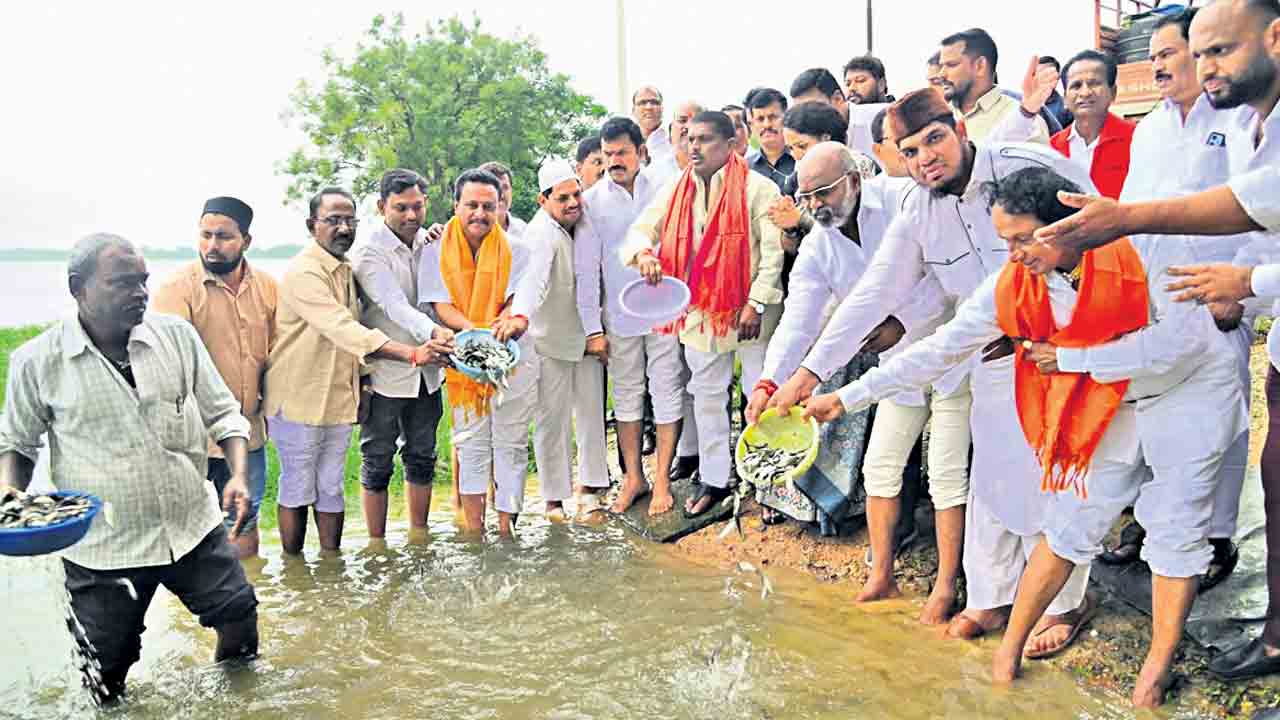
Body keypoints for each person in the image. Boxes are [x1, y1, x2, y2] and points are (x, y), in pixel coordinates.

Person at [806, 165, 1243, 708]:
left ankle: (1154, 672)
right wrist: (845, 397)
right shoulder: (1016, 282)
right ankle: (1007, 652)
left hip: (1189, 393)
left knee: (1176, 528)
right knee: (1068, 523)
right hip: (1105, 402)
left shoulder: (1144, 248)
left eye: (1020, 238)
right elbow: (942, 348)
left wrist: (1070, 358)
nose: (1011, 254)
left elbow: (1177, 345)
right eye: (1003, 240)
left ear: (1066, 226)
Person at [770, 89, 1097, 627]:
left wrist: (1079, 336)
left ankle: (1064, 605)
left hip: (1062, 352)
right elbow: (873, 295)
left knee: (1057, 474)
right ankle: (990, 600)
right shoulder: (916, 211)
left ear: (961, 129)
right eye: (912, 151)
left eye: (935, 140)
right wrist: (808, 376)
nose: (926, 159)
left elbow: (1104, 232)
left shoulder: (1026, 166)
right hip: (983, 353)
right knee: (992, 473)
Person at [0, 233, 260, 702]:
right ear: (78, 287)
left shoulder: (175, 337)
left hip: (190, 527)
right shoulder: (37, 361)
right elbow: (17, 443)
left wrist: (238, 475)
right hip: (104, 548)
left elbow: (224, 415)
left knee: (240, 622)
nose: (139, 293)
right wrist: (10, 492)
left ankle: (236, 705)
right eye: (121, 283)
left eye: (142, 282)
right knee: (103, 674)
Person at [1094, 5, 1251, 595]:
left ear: (1203, 51)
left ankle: (1215, 537)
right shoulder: (1151, 128)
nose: (1159, 65)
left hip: (1219, 295)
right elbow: (1132, 214)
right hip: (1155, 297)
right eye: (1152, 56)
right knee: (1153, 407)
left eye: (1169, 53)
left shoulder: (1236, 121)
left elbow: (1257, 212)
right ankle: (1150, 520)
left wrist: (1241, 295)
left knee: (1221, 421)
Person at [747, 143, 929, 531]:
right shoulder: (817, 246)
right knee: (886, 456)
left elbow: (943, 271)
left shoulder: (900, 200)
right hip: (890, 357)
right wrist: (770, 380)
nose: (814, 206)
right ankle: (897, 536)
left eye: (823, 193)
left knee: (953, 461)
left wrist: (904, 319)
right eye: (806, 197)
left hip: (949, 337)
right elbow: (798, 321)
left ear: (853, 180)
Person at [265, 188, 448, 554]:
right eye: (333, 220)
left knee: (332, 485)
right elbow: (345, 329)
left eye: (349, 220)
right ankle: (294, 568)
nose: (343, 227)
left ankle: (332, 563)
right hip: (299, 395)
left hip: (338, 393)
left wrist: (361, 384)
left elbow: (357, 322)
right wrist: (413, 354)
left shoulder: (345, 268)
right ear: (311, 225)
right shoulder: (306, 272)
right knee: (299, 485)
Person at [624, 111, 785, 518]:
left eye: (705, 140)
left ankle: (768, 488)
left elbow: (772, 253)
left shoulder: (757, 188)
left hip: (752, 315)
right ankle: (715, 480)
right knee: (708, 397)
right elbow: (641, 230)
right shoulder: (677, 188)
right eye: (689, 138)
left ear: (732, 145)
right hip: (700, 313)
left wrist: (757, 302)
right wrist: (644, 254)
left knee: (759, 395)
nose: (693, 146)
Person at [151, 196, 276, 559]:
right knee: (188, 529)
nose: (213, 246)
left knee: (245, 520)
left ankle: (245, 603)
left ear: (246, 241)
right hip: (192, 438)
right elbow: (166, 363)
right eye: (205, 235)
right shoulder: (178, 289)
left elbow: (280, 351)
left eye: (224, 237)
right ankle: (188, 614)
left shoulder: (268, 287)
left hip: (248, 432)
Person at [419, 169, 540, 537]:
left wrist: (503, 322)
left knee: (511, 445)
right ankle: (475, 532)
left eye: (489, 206)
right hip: (465, 359)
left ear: (500, 206)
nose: (480, 214)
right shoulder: (434, 248)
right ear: (456, 205)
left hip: (510, 356)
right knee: (471, 446)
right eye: (471, 205)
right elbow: (440, 303)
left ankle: (506, 531)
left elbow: (516, 300)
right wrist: (474, 334)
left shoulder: (518, 249)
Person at [586, 117, 683, 516]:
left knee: (666, 389)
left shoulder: (666, 186)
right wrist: (595, 327)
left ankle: (662, 479)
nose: (614, 161)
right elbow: (587, 269)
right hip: (620, 316)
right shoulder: (591, 201)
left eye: (622, 152)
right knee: (626, 396)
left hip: (665, 309)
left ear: (641, 152)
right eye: (608, 155)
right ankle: (633, 477)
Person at [349, 169, 452, 540]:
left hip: (429, 372)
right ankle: (377, 544)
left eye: (417, 207)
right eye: (401, 208)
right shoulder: (368, 251)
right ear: (381, 207)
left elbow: (436, 295)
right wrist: (436, 333)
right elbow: (394, 305)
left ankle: (419, 536)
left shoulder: (428, 241)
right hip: (387, 370)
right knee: (377, 459)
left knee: (422, 455)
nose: (411, 216)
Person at [522, 159, 610, 516]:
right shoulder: (540, 235)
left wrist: (597, 331)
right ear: (543, 201)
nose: (573, 202)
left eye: (576, 194)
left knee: (591, 413)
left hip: (590, 336)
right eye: (563, 198)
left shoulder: (586, 222)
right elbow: (535, 284)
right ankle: (554, 498)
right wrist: (520, 318)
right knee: (551, 420)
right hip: (549, 340)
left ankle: (590, 488)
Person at [937, 28, 1052, 144]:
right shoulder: (937, 118)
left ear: (980, 66)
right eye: (941, 66)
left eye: (951, 65)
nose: (941, 74)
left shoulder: (1027, 121)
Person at [1049, 50, 1137, 199]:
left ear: (1113, 92)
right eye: (1076, 86)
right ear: (1064, 99)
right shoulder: (1052, 148)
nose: (1085, 92)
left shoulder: (1137, 139)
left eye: (1094, 83)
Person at [746, 88, 795, 191]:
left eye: (773, 117)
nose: (767, 124)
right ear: (752, 125)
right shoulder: (745, 168)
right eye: (760, 119)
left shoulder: (801, 160)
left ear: (786, 118)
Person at [478, 161, 528, 238]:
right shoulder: (469, 232)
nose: (501, 195)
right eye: (494, 188)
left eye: (505, 187)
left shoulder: (523, 230)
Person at [632, 85, 670, 169]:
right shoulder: (626, 142)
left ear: (662, 109)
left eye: (654, 102)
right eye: (642, 103)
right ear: (633, 110)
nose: (649, 107)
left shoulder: (673, 140)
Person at [1038, 56, 1075, 129]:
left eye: (1047, 74)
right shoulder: (1021, 101)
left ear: (1057, 77)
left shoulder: (1066, 108)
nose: (1041, 77)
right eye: (1038, 73)